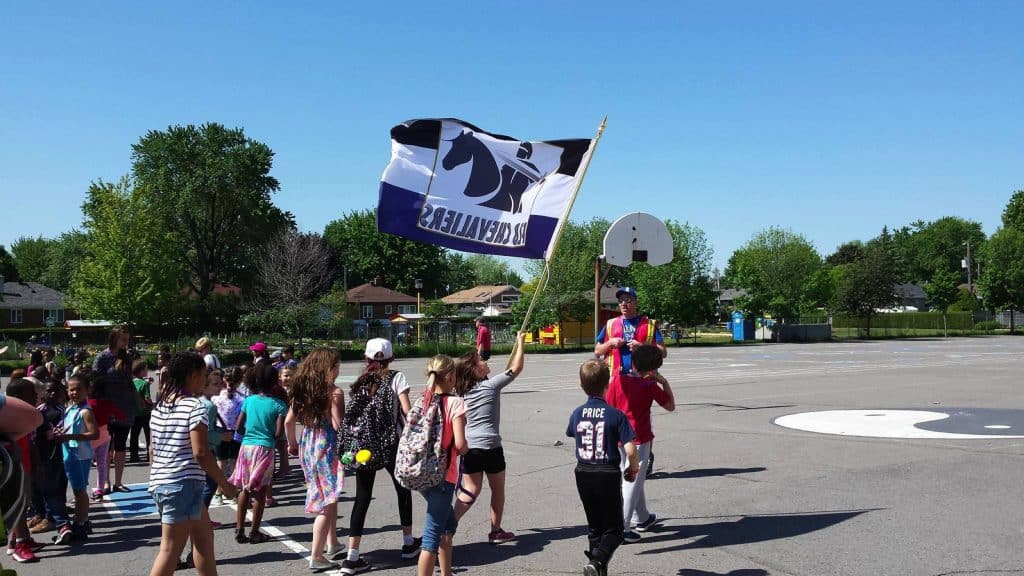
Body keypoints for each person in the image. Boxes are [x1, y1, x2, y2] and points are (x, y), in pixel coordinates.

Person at [147, 352, 238, 576]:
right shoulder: (194, 406)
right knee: (170, 550)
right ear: (191, 376)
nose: (205, 380)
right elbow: (201, 452)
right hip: (183, 484)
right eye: (202, 375)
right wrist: (224, 484)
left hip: (166, 483)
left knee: (204, 538)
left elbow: (152, 449)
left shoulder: (160, 406)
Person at [339, 338, 419, 575]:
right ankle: (408, 543)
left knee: (362, 497)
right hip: (391, 443)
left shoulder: (361, 381)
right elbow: (406, 410)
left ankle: (352, 556)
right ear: (391, 358)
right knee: (402, 490)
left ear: (367, 358)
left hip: (364, 446)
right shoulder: (396, 377)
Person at [452, 331, 527, 544]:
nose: (485, 361)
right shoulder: (490, 386)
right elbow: (517, 368)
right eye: (481, 360)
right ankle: (495, 531)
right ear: (475, 370)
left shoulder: (463, 393)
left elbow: (510, 369)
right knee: (497, 489)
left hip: (471, 447)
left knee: (470, 490)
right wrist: (520, 343)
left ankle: (449, 524)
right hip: (491, 446)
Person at [567, 359, 639, 576]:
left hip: (583, 471)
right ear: (608, 384)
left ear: (582, 386)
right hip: (606, 472)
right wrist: (632, 469)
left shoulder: (577, 413)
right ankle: (597, 561)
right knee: (615, 530)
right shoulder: (616, 415)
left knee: (595, 528)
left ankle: (597, 569)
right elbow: (630, 449)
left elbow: (572, 433)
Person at [604, 344, 675, 543]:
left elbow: (609, 406)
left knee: (635, 479)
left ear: (633, 363)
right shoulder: (650, 386)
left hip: (619, 438)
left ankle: (641, 517)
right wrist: (664, 382)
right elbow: (670, 405)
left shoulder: (617, 380)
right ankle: (622, 528)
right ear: (653, 369)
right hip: (640, 439)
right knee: (632, 481)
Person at [285, 348, 346, 571]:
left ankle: (333, 542)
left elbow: (289, 422)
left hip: (308, 443)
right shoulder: (333, 392)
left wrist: (292, 444)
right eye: (336, 366)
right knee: (327, 502)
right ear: (328, 369)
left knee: (327, 493)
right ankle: (316, 554)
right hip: (326, 445)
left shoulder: (301, 390)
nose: (339, 370)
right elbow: (338, 424)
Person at [415, 355, 468, 576]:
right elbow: (460, 443)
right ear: (449, 377)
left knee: (446, 527)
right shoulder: (455, 403)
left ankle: (446, 573)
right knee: (431, 537)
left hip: (421, 473)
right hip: (443, 476)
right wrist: (465, 451)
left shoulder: (422, 400)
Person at [230, 362, 285, 544]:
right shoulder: (278, 405)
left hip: (246, 447)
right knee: (260, 492)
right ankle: (254, 531)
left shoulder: (248, 401)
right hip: (265, 448)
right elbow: (278, 433)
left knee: (244, 487)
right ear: (274, 382)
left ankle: (239, 527)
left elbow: (238, 426)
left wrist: (250, 434)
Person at [0, 389, 45, 569]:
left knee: (23, 504)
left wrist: (36, 464)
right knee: (17, 505)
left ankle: (18, 539)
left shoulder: (17, 422)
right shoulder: (9, 423)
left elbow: (31, 445)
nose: (35, 398)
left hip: (23, 467)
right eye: (31, 397)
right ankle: (20, 544)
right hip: (15, 470)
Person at [54, 372, 99, 543]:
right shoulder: (70, 407)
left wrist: (70, 438)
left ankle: (80, 523)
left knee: (80, 491)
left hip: (79, 455)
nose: (74, 393)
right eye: (71, 389)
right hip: (70, 453)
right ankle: (83, 520)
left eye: (79, 389)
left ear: (88, 389)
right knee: (76, 489)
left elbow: (94, 433)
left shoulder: (85, 411)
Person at [92, 327, 136, 492]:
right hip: (107, 406)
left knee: (120, 446)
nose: (126, 342)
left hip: (125, 406)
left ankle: (119, 481)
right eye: (123, 339)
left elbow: (130, 380)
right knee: (106, 447)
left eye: (127, 339)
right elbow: (95, 379)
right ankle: (105, 481)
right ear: (114, 339)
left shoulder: (127, 357)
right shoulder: (103, 357)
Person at [593, 287, 667, 376]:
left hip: (644, 379)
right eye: (620, 301)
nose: (623, 304)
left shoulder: (649, 325)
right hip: (617, 379)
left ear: (636, 303)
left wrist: (641, 346)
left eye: (627, 300)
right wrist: (610, 343)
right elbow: (597, 351)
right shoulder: (610, 324)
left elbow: (663, 353)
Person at [28, 381, 68, 537]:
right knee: (40, 488)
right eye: (48, 391)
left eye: (54, 391)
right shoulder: (38, 410)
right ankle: (43, 514)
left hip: (54, 454)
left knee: (52, 489)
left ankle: (54, 520)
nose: (51, 394)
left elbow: (61, 429)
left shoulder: (60, 410)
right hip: (39, 453)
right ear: (42, 393)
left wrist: (54, 433)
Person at [87, 378, 126, 501]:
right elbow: (121, 415)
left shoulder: (86, 404)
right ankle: (99, 489)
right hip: (104, 436)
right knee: (102, 464)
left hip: (88, 437)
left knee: (84, 465)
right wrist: (110, 417)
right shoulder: (107, 403)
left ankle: (82, 490)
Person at [211, 366, 244, 507]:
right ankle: (235, 493)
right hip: (236, 434)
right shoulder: (243, 399)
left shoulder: (215, 397)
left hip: (220, 433)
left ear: (224, 379)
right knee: (235, 463)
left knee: (221, 463)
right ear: (240, 381)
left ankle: (218, 493)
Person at [130, 359, 154, 463]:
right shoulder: (144, 384)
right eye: (146, 369)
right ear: (141, 371)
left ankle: (133, 455)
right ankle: (149, 455)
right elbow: (147, 398)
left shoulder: (131, 383)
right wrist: (153, 404)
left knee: (134, 434)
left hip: (134, 413)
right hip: (144, 413)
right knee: (148, 434)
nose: (147, 371)